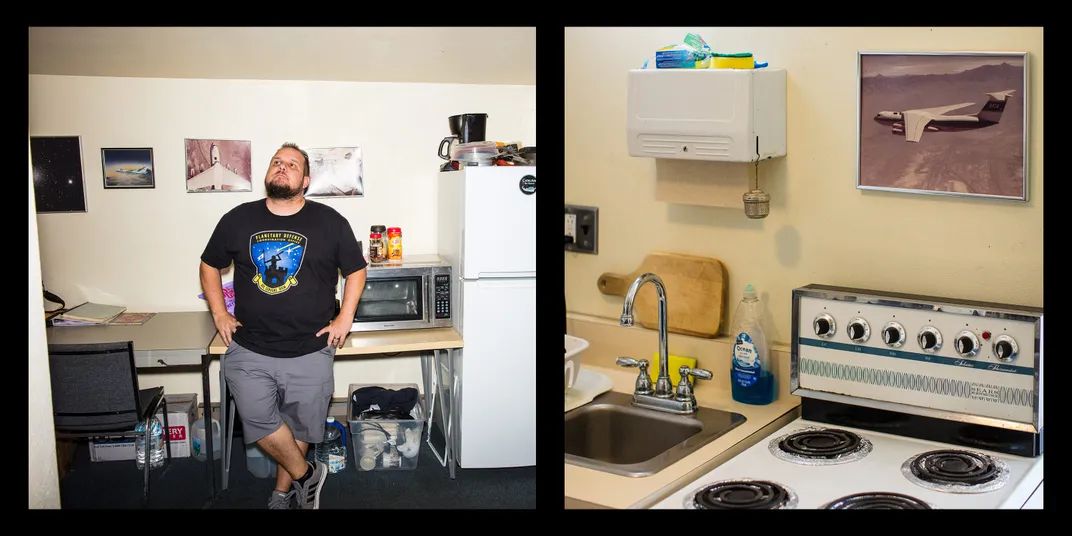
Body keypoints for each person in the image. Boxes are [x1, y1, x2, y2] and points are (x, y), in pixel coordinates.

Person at [199, 142, 367, 509]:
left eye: (292, 164)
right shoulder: (238, 219)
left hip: (310, 347)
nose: (282, 167)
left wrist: (346, 317)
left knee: (301, 427)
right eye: (277, 161)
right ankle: (309, 475)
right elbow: (209, 264)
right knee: (259, 421)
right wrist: (218, 312)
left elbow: (356, 270)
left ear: (305, 180)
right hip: (250, 346)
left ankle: (283, 491)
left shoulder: (330, 222)